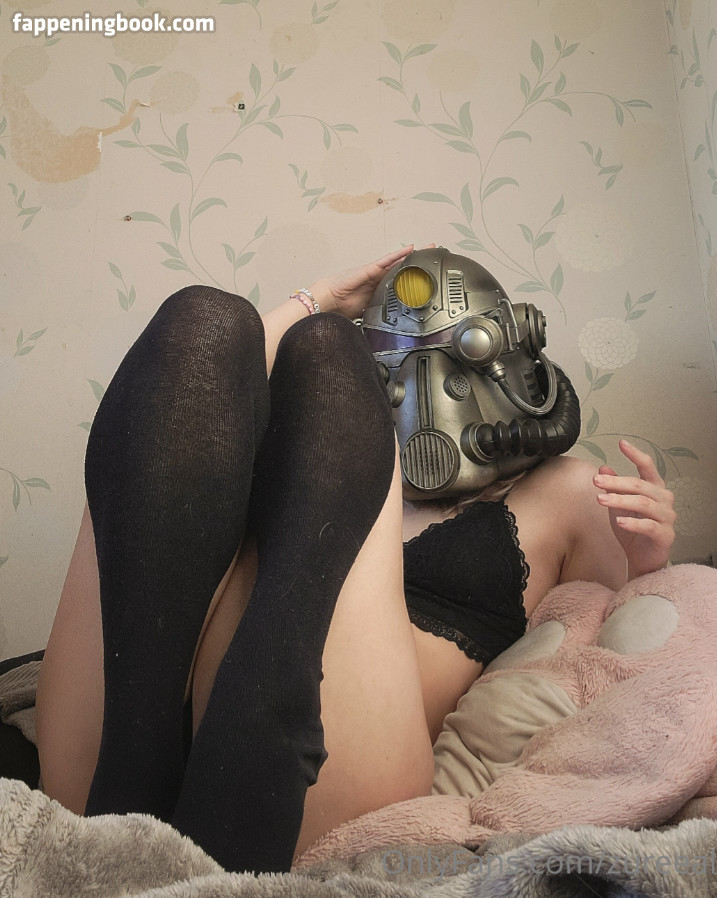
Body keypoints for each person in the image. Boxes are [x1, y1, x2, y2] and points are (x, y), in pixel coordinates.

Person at [34, 245, 676, 875]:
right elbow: (198, 394)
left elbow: (626, 657)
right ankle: (133, 776)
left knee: (325, 349)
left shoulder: (566, 492)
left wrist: (650, 565)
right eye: (394, 365)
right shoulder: (313, 445)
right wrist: (315, 300)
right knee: (201, 315)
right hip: (130, 726)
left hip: (323, 779)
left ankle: (214, 777)